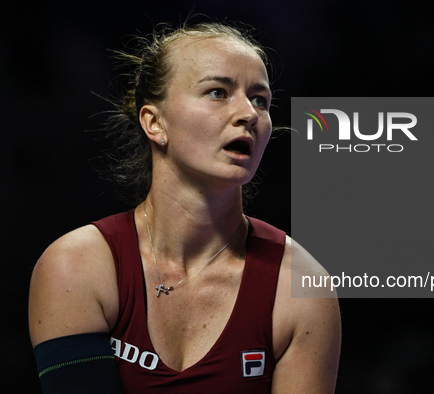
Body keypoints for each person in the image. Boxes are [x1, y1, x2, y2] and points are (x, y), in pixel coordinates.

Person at [29, 22, 341, 393]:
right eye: (217, 92)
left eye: (260, 99)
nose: (248, 114)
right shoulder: (75, 267)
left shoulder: (301, 287)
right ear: (155, 122)